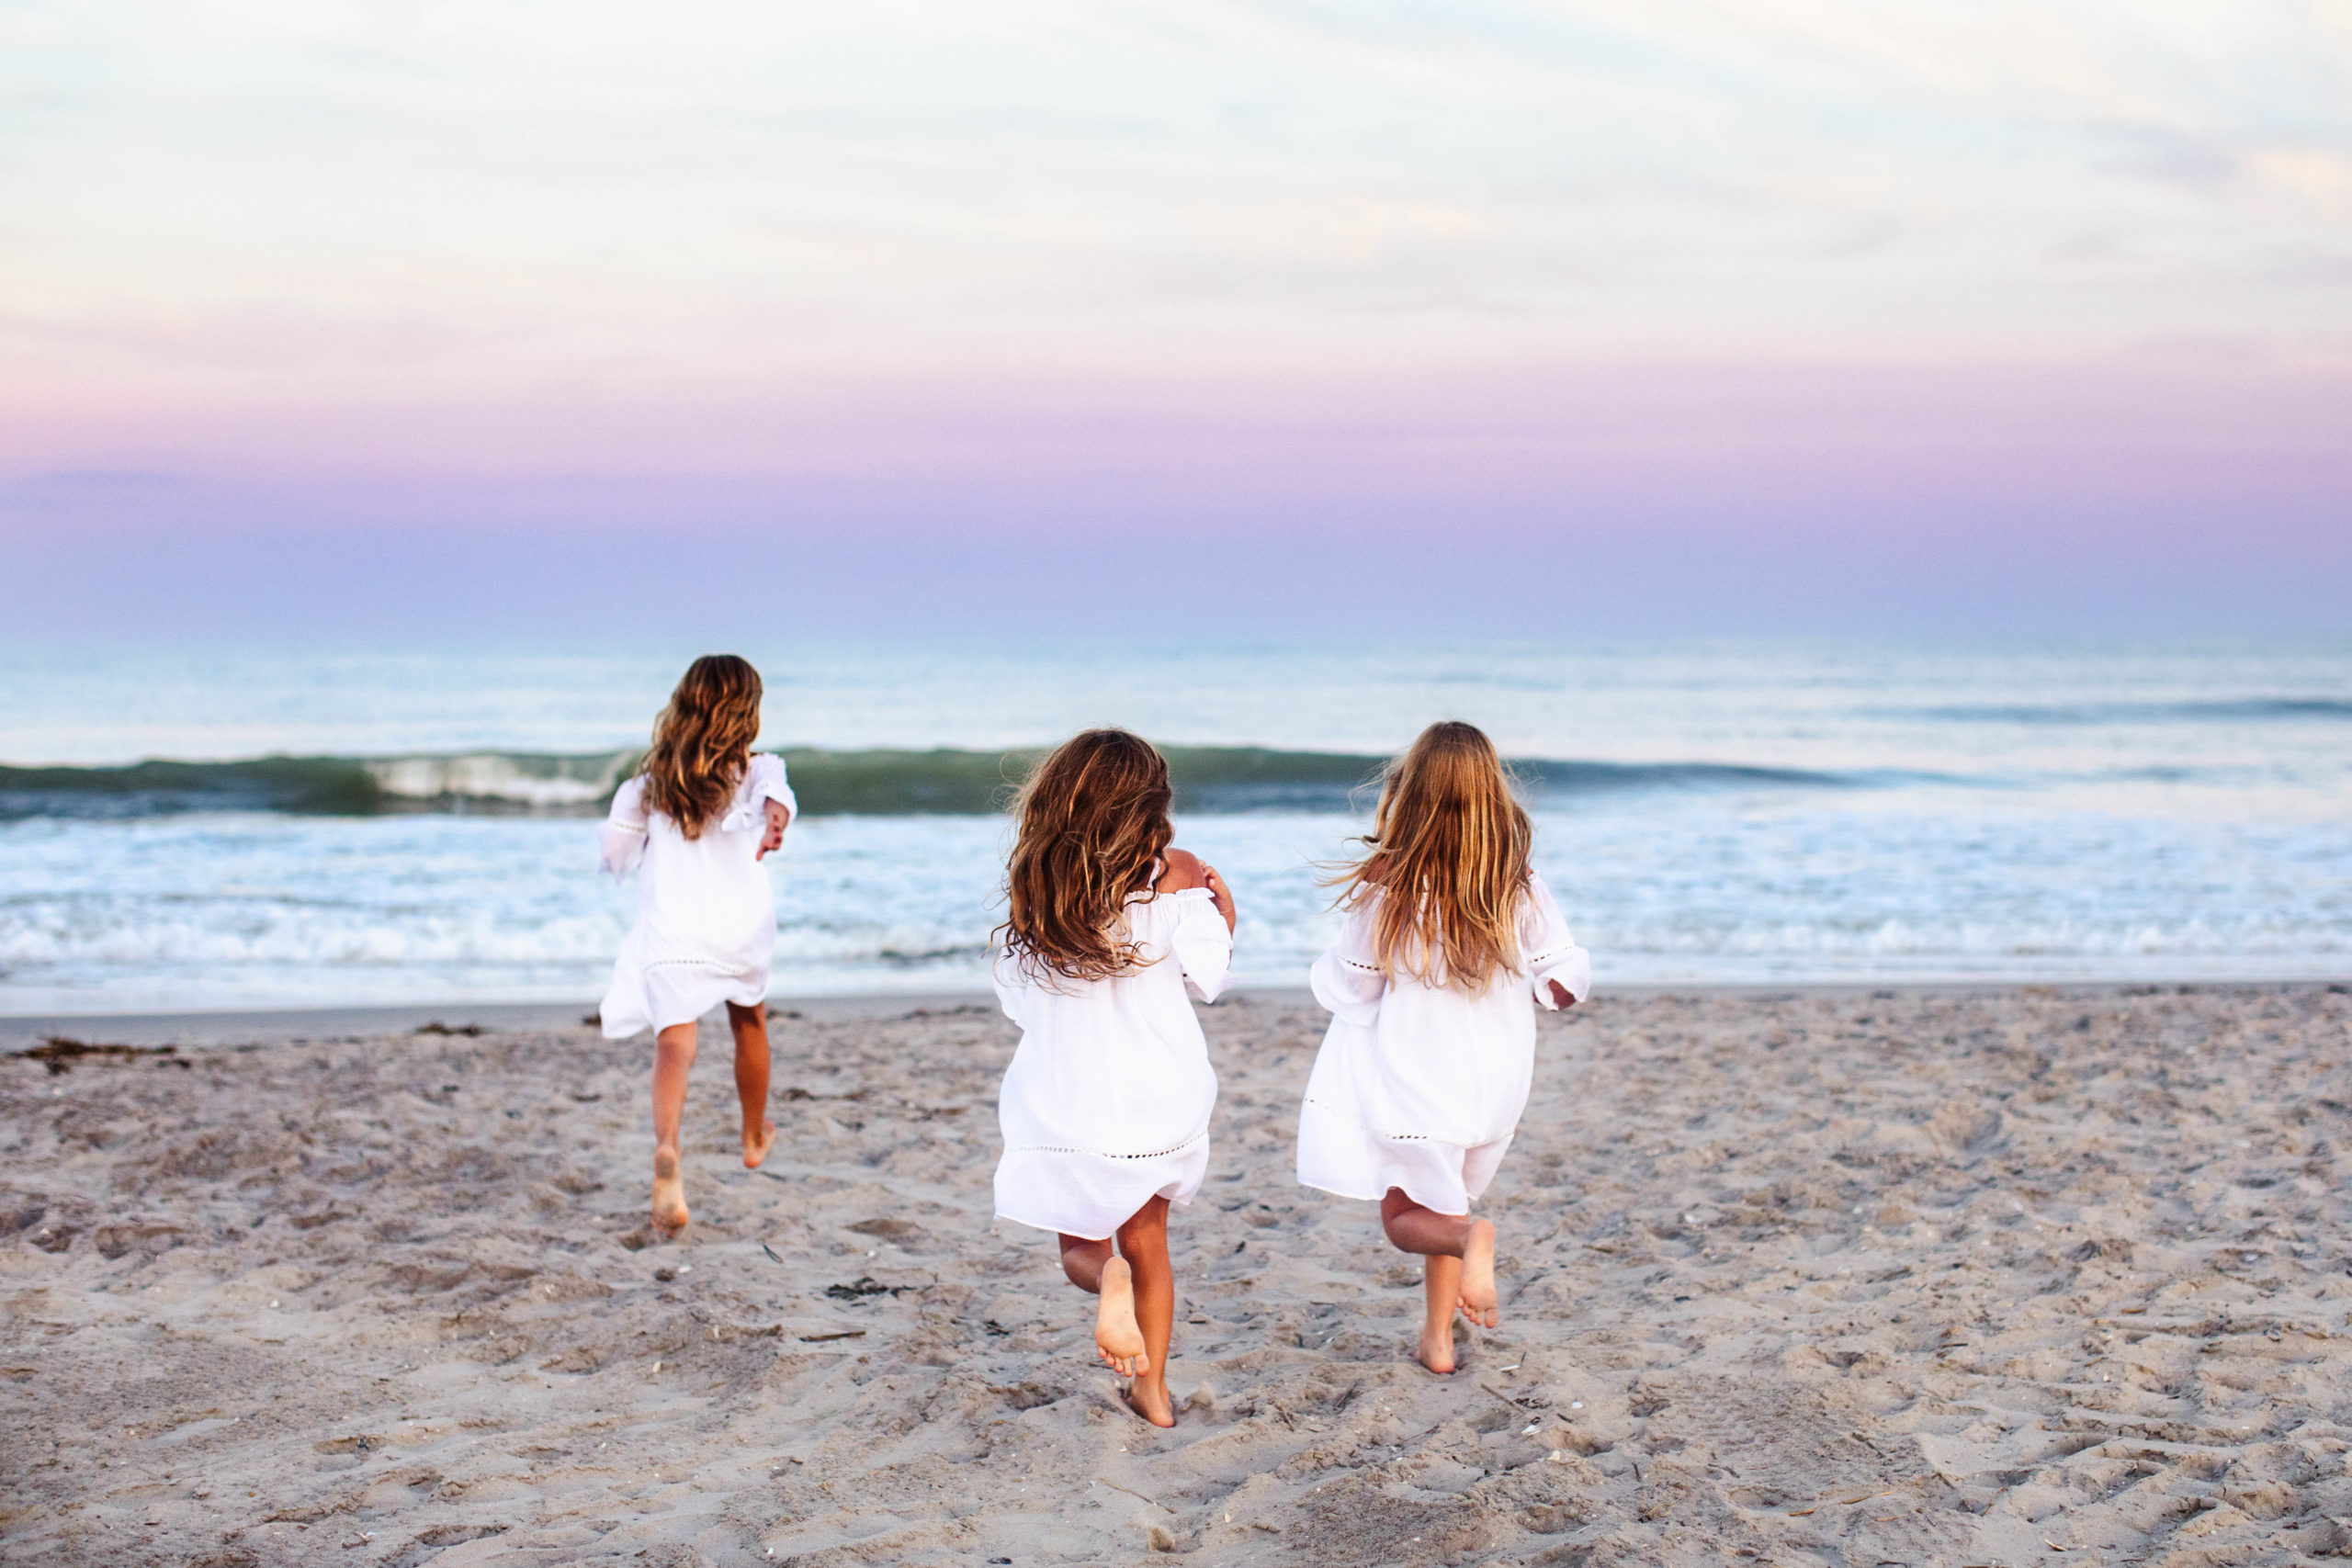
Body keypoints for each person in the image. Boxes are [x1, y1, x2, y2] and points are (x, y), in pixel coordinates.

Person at [1296, 720, 1591, 1374]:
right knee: (1444, 1195)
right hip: (1495, 1076)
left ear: (1414, 794)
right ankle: (1438, 1340)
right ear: (1491, 795)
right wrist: (1550, 993)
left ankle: (1471, 1239)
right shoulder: (1515, 881)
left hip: (1418, 1072)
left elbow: (1352, 985)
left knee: (1406, 1216)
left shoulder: (1391, 886)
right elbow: (1565, 973)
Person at [990, 729, 1238, 1427]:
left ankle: (1109, 1282)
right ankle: (1153, 1391)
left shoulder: (1042, 890)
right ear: (1152, 804)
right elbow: (1209, 974)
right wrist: (1228, 917)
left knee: (1081, 1246)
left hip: (1072, 1101)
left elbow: (1019, 1000)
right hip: (1158, 1097)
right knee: (1149, 1239)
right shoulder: (1178, 871)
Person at [597, 654, 795, 1241]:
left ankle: (666, 1147)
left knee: (674, 1041)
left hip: (673, 928)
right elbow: (777, 798)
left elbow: (615, 854)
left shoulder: (648, 786)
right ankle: (754, 1135)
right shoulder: (759, 771)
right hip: (739, 926)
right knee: (749, 1024)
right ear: (748, 713)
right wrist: (776, 822)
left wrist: (631, 841)